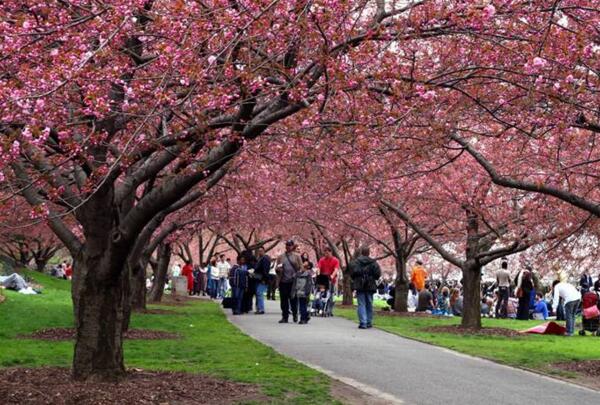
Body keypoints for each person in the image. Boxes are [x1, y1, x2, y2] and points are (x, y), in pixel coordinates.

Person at [350, 245, 381, 329]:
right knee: (369, 303)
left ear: (361, 253)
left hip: (360, 284)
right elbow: (378, 274)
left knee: (361, 304)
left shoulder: (356, 262)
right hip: (370, 284)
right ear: (368, 253)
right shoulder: (374, 263)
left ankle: (363, 322)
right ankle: (369, 322)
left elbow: (352, 273)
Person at [277, 240, 302, 323]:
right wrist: (278, 269)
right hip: (283, 281)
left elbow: (301, 268)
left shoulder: (297, 256)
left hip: (293, 282)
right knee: (283, 300)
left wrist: (297, 274)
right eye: (287, 245)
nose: (288, 247)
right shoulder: (281, 257)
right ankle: (285, 317)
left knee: (293, 299)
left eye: (290, 245)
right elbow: (277, 267)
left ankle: (295, 315)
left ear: (292, 246)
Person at [253, 247, 271, 314]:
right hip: (258, 278)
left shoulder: (265, 259)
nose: (260, 252)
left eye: (261, 251)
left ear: (264, 251)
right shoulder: (260, 259)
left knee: (259, 293)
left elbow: (265, 270)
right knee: (258, 293)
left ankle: (261, 309)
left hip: (262, 279)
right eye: (259, 251)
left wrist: (264, 279)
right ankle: (259, 308)